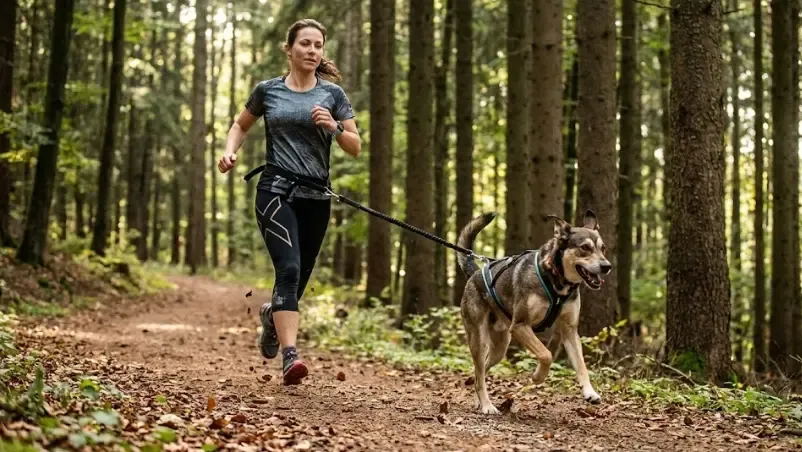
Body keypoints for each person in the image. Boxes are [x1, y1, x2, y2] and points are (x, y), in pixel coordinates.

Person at [217, 18, 361, 385]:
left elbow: (355, 146)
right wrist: (230, 152)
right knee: (290, 269)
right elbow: (240, 125)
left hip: (317, 197)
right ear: (290, 48)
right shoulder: (268, 91)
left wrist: (334, 127)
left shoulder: (333, 95)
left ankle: (271, 315)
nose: (312, 51)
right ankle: (290, 356)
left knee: (296, 281)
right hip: (275, 191)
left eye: (318, 45)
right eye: (305, 44)